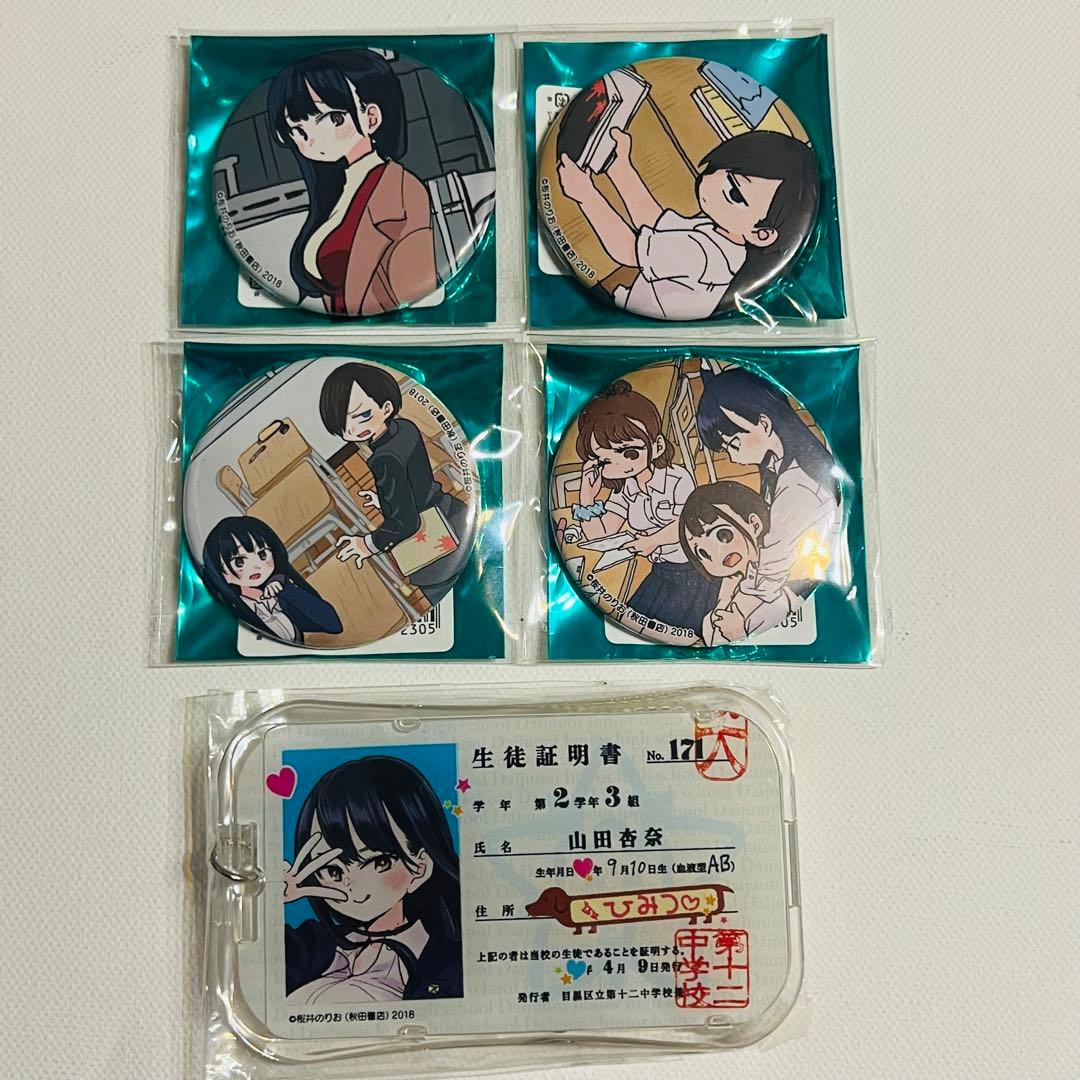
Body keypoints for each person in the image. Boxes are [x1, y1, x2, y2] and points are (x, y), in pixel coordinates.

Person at [557, 127, 818, 319]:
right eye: (713, 170)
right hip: (637, 308)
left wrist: (585, 194)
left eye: (734, 193)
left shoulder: (705, 255)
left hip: (638, 319)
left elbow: (625, 249)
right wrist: (620, 165)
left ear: (761, 234)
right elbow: (654, 219)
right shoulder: (717, 231)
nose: (709, 181)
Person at [267, 49, 437, 315]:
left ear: (371, 118)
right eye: (297, 131)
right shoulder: (338, 191)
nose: (311, 140)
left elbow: (412, 289)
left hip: (386, 331)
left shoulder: (403, 193)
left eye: (332, 119)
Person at [283, 756, 462, 1003]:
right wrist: (270, 895)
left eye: (380, 862)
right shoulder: (311, 944)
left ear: (420, 867)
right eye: (333, 871)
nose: (354, 887)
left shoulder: (450, 965)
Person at [696, 363, 840, 625]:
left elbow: (770, 574)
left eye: (733, 442)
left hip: (794, 588)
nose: (732, 455)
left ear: (763, 423)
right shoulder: (778, 465)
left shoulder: (797, 488)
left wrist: (734, 608)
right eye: (725, 448)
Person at [571, 378, 717, 633]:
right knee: (636, 615)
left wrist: (652, 541)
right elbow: (601, 533)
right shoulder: (626, 489)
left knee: (681, 626)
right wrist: (587, 497)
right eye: (605, 460)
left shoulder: (677, 479)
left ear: (657, 446)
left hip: (695, 570)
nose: (619, 465)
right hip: (662, 571)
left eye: (628, 453)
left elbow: (687, 525)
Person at [319, 362, 470, 604]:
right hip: (453, 513)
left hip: (436, 550)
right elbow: (416, 482)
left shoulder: (383, 459)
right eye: (345, 424)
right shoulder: (405, 428)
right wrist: (386, 500)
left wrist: (367, 544)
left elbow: (406, 523)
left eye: (363, 416)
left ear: (386, 407)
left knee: (456, 601)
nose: (354, 428)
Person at [201, 517, 342, 644]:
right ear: (221, 572)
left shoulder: (279, 597)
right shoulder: (231, 613)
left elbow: (332, 625)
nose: (256, 566)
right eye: (239, 562)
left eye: (262, 554)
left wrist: (286, 590)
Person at [679, 481, 785, 644]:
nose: (716, 553)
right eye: (702, 553)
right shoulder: (714, 611)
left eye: (723, 535)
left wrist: (737, 631)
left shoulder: (776, 583)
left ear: (755, 524)